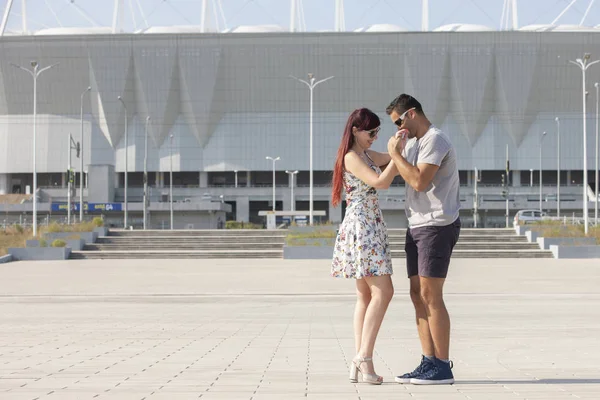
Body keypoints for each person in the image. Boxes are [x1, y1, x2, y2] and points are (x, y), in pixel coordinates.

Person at [386, 94, 461, 385]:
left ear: (412, 114)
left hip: (437, 225)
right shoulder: (414, 144)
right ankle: (428, 360)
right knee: (416, 294)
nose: (397, 128)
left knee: (431, 295)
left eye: (398, 121)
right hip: (417, 225)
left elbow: (419, 180)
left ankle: (442, 365)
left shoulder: (435, 140)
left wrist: (396, 155)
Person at [331, 108, 397, 385]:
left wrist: (400, 145)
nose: (374, 137)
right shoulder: (351, 158)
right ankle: (364, 357)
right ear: (356, 131)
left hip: (368, 225)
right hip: (363, 226)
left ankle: (359, 361)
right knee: (384, 291)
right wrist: (397, 158)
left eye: (377, 133)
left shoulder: (368, 155)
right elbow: (380, 182)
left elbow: (389, 157)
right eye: (371, 132)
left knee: (366, 297)